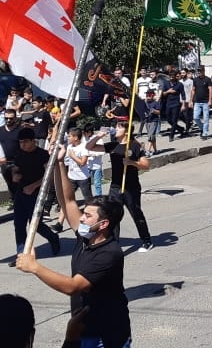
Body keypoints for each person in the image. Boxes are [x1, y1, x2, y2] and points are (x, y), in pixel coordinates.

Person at [15, 147, 132, 348]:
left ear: (103, 224)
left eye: (87, 216)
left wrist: (34, 266)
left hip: (107, 335)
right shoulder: (86, 237)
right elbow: (68, 201)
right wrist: (60, 164)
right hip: (83, 329)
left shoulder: (109, 253)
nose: (81, 218)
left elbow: (72, 287)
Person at [85, 120, 153, 253]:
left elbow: (146, 165)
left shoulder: (134, 145)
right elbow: (89, 147)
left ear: (127, 131)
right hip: (115, 186)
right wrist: (99, 136)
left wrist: (132, 163)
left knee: (136, 213)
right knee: (112, 215)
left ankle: (146, 240)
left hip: (131, 186)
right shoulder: (113, 145)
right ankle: (113, 243)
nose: (115, 129)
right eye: (116, 126)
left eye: (119, 127)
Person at [8, 127, 61, 265]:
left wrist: (34, 186)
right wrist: (15, 174)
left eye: (25, 142)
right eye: (20, 142)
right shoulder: (19, 153)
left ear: (33, 141)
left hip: (38, 193)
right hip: (21, 192)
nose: (22, 145)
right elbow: (15, 167)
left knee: (35, 223)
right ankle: (22, 255)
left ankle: (53, 238)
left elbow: (48, 176)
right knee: (18, 224)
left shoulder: (43, 155)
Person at [191, 65, 212, 140]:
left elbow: (210, 90)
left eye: (200, 71)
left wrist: (210, 100)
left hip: (205, 102)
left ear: (203, 71)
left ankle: (205, 133)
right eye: (198, 71)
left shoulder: (207, 80)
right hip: (197, 101)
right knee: (195, 117)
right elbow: (193, 90)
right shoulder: (195, 80)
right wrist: (191, 101)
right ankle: (202, 128)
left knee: (206, 118)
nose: (199, 72)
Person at [142, 90, 161, 156]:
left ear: (152, 95)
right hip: (147, 121)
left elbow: (159, 112)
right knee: (152, 136)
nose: (147, 96)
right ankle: (155, 150)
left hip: (154, 120)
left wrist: (153, 110)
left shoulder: (156, 103)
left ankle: (148, 150)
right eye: (147, 95)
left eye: (149, 95)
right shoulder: (144, 103)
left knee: (150, 135)